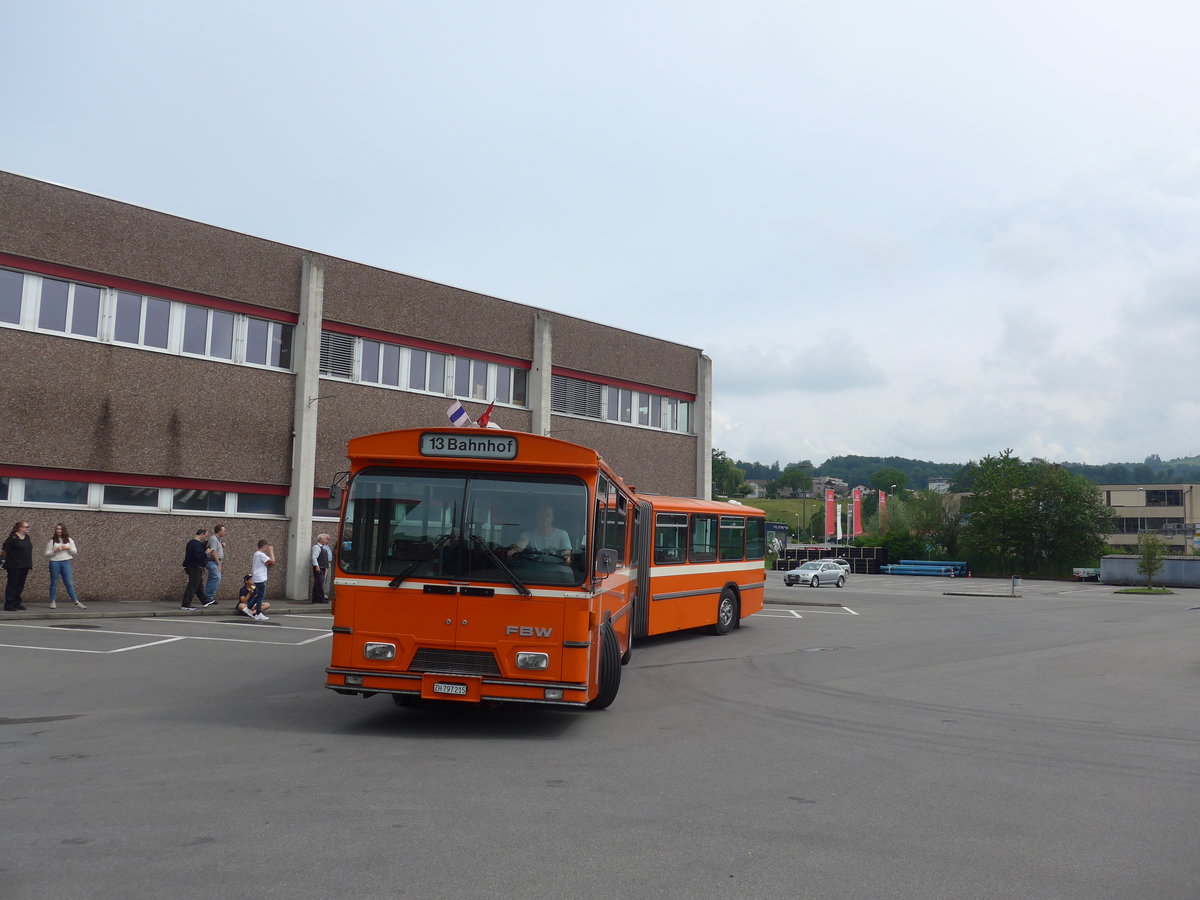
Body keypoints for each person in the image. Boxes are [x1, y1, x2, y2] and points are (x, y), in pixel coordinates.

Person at [507, 505, 572, 565]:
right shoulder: (527, 534)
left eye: (548, 516)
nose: (544, 519)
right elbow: (520, 547)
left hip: (556, 570)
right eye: (541, 516)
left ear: (553, 518)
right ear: (536, 517)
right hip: (533, 570)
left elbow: (566, 553)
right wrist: (515, 551)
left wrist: (567, 557)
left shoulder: (562, 534)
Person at [45, 522, 86, 610]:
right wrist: (55, 550)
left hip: (65, 562)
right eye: (57, 529)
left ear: (63, 530)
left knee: (69, 583)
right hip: (54, 562)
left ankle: (76, 602)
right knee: (54, 582)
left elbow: (74, 552)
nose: (58, 531)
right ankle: (52, 601)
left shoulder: (69, 540)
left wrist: (68, 548)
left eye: (60, 529)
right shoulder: (52, 541)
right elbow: (47, 554)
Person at [3, 521, 33, 611]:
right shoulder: (13, 538)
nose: (28, 528)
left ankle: (16, 602)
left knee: (20, 585)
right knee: (12, 584)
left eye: (28, 526)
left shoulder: (27, 537)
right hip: (14, 565)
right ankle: (9, 603)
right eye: (26, 527)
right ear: (20, 528)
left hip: (25, 565)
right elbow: (4, 550)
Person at [180, 527, 210, 611]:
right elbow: (198, 556)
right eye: (205, 536)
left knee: (198, 584)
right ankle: (186, 604)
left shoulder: (193, 543)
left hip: (193, 566)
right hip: (195, 567)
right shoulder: (195, 544)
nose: (205, 538)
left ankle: (205, 600)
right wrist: (206, 553)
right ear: (201, 534)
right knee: (193, 585)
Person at [247, 539, 275, 620]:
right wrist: (271, 551)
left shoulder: (256, 554)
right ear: (265, 546)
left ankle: (249, 608)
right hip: (260, 577)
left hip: (257, 577)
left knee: (259, 595)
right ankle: (258, 613)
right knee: (261, 595)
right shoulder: (261, 554)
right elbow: (272, 561)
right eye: (267, 547)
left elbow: (267, 563)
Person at [204, 523, 226, 606]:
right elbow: (213, 552)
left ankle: (207, 596)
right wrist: (218, 563)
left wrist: (221, 545)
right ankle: (209, 597)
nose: (225, 532)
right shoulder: (213, 539)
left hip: (214, 561)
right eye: (224, 531)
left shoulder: (217, 539)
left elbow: (215, 548)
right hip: (212, 561)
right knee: (217, 577)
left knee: (212, 579)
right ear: (219, 531)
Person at [310, 533, 332, 604]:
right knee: (319, 583)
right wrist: (317, 566)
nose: (326, 541)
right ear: (320, 539)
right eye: (325, 539)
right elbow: (314, 557)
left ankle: (315, 598)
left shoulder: (322, 547)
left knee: (318, 583)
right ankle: (320, 598)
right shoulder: (317, 547)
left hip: (322, 567)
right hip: (319, 567)